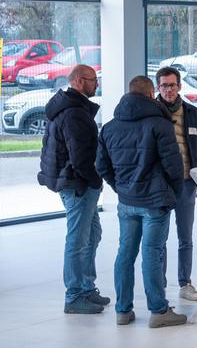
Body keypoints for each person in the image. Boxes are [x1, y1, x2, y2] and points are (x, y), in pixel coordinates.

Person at [95, 75, 186, 328]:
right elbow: (173, 166)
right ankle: (158, 311)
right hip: (155, 201)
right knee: (152, 254)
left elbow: (101, 166)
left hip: (127, 201)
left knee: (125, 253)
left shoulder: (109, 127)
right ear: (150, 94)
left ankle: (123, 311)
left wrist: (120, 187)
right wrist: (173, 191)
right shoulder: (160, 124)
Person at [37, 63, 108, 314]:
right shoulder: (74, 113)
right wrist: (95, 180)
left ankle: (86, 287)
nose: (96, 83)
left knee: (92, 235)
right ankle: (75, 295)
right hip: (77, 184)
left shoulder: (71, 108)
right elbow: (80, 157)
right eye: (93, 79)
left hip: (75, 182)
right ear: (78, 81)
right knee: (77, 240)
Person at [154, 67, 197, 303]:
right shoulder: (151, 113)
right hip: (161, 186)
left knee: (185, 237)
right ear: (158, 87)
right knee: (159, 239)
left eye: (172, 85)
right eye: (164, 85)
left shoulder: (192, 113)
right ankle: (159, 286)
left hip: (186, 184)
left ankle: (185, 283)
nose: (168, 90)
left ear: (179, 86)